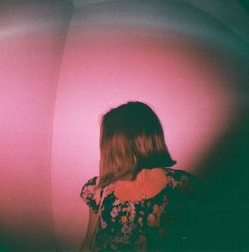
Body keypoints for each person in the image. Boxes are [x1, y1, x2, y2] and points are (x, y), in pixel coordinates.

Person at [80, 101, 199, 251]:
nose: (106, 148)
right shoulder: (98, 190)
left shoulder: (183, 186)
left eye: (110, 139)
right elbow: (88, 244)